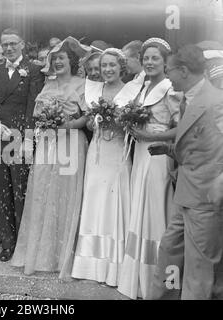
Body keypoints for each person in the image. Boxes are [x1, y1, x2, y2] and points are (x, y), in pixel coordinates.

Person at [148, 44, 223, 300]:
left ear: (183, 70)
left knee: (200, 265)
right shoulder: (187, 100)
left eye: (169, 70)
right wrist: (169, 150)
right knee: (170, 250)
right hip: (185, 192)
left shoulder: (216, 103)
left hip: (206, 198)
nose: (166, 76)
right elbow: (198, 146)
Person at [11, 37, 88, 278]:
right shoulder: (47, 85)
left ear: (72, 61)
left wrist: (69, 125)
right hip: (47, 143)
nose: (57, 63)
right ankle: (42, 255)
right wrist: (46, 125)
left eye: (61, 59)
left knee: (65, 193)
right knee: (44, 192)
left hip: (70, 141)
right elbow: (38, 117)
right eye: (54, 60)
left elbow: (87, 116)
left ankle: (62, 255)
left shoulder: (83, 84)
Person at [118, 38, 181, 299]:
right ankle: (136, 279)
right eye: (146, 58)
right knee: (139, 207)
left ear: (165, 61)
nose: (149, 62)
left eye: (155, 58)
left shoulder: (170, 89)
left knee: (156, 209)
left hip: (158, 155)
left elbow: (180, 128)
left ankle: (159, 282)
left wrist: (150, 136)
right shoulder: (142, 87)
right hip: (141, 154)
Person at [71, 48, 140, 286]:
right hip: (97, 153)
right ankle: (90, 264)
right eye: (103, 66)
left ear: (121, 66)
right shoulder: (94, 90)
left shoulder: (132, 90)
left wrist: (120, 121)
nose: (107, 70)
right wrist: (92, 122)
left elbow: (134, 123)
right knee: (94, 199)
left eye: (112, 65)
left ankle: (115, 265)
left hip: (117, 153)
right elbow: (90, 125)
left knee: (115, 200)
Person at [0, 28, 44, 262]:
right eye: (4, 44)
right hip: (0, 138)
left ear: (22, 44)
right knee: (2, 190)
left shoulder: (34, 70)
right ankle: (8, 243)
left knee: (21, 191)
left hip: (21, 139)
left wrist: (29, 138)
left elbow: (33, 106)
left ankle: (24, 242)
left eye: (12, 44)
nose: (8, 48)